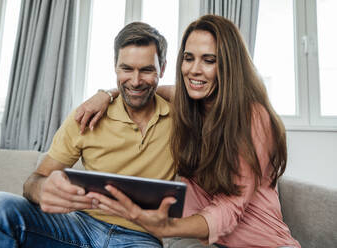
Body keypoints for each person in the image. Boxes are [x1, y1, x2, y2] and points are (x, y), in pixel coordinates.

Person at [74, 15, 301, 248]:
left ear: (228, 65)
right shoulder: (188, 104)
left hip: (265, 242)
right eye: (188, 58)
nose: (194, 70)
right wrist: (106, 94)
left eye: (209, 60)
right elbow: (144, 86)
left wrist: (165, 227)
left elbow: (230, 207)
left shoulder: (253, 116)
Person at [0, 22, 175, 248]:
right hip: (79, 225)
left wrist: (107, 92)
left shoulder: (182, 119)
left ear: (162, 69)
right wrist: (44, 189)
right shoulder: (87, 114)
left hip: (140, 237)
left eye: (146, 70)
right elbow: (32, 183)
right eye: (126, 69)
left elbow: (210, 95)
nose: (135, 81)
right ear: (115, 66)